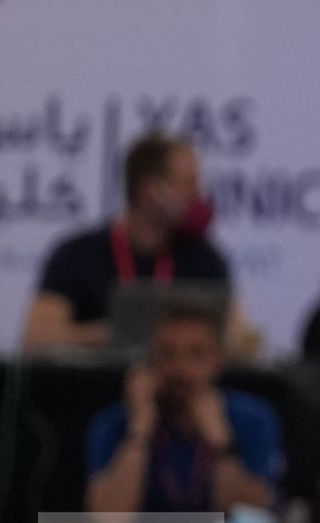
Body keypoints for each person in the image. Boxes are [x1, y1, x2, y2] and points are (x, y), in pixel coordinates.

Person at [24, 130, 261, 358]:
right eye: (188, 184)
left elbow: (241, 338)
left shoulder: (205, 258)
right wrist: (101, 337)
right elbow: (36, 338)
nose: (199, 196)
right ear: (150, 190)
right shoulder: (76, 255)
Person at [85, 294, 282, 514]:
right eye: (167, 353)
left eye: (196, 354)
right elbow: (106, 521)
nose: (180, 367)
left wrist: (221, 442)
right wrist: (139, 430)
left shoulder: (253, 418)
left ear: (217, 360)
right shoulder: (115, 422)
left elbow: (251, 518)